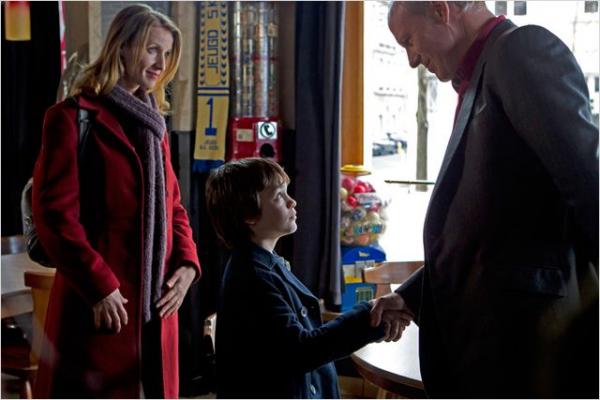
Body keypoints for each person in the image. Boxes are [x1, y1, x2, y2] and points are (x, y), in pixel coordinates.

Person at [371, 1, 599, 397]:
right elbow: (496, 226)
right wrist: (411, 297)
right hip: (499, 345)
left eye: (408, 41)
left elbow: (589, 186)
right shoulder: (486, 70)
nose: (411, 60)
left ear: (441, 10)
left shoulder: (520, 51)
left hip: (527, 350)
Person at [32, 4, 201, 398]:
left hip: (157, 309)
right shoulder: (71, 118)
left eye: (167, 53)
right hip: (101, 305)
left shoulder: (155, 126)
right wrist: (100, 286)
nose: (161, 63)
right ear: (123, 46)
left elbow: (174, 208)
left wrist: (188, 265)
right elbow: (55, 216)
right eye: (152, 49)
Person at [205, 158, 401, 398]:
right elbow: (301, 350)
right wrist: (370, 315)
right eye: (279, 196)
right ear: (249, 215)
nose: (292, 201)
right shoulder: (252, 277)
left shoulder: (263, 262)